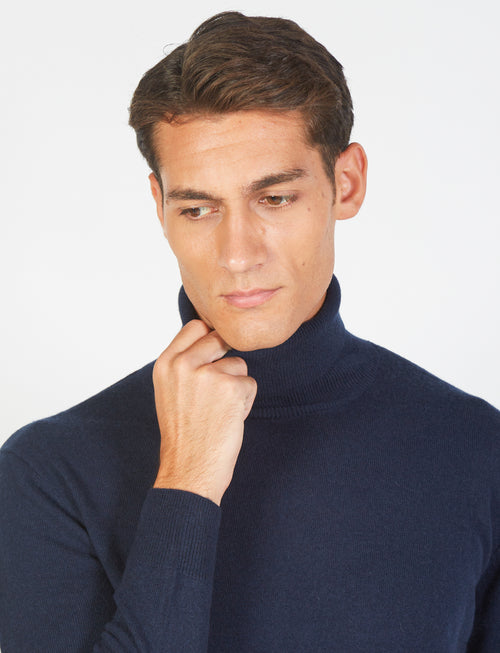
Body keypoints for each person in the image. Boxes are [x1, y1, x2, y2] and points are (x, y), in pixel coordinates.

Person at [0, 10, 499, 652]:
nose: (237, 254)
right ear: (159, 207)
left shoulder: (474, 450)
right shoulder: (49, 472)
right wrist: (186, 482)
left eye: (275, 198)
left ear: (346, 183)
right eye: (197, 208)